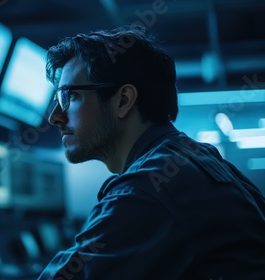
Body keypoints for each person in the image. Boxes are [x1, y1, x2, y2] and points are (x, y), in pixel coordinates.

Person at [39, 25, 265, 279]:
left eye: (69, 97)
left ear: (123, 101)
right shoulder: (193, 158)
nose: (54, 117)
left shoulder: (150, 188)